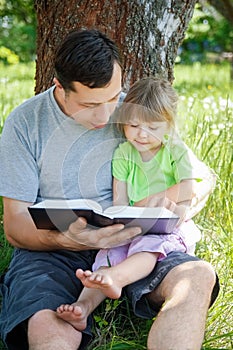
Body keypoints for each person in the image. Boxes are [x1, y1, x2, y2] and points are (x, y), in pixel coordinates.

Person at [0, 28, 219, 350]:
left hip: (140, 239)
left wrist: (172, 202)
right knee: (50, 326)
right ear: (60, 86)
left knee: (196, 276)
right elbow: (16, 225)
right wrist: (65, 239)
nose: (106, 116)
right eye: (90, 104)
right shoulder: (25, 123)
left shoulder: (135, 112)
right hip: (54, 250)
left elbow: (200, 175)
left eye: (111, 98)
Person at [56, 76, 212, 329]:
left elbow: (188, 190)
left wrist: (175, 213)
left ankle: (115, 278)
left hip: (166, 225)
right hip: (135, 220)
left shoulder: (175, 151)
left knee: (147, 247)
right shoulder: (124, 153)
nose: (141, 134)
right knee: (109, 254)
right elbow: (120, 201)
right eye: (134, 125)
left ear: (168, 126)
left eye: (152, 127)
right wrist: (117, 221)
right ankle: (83, 307)